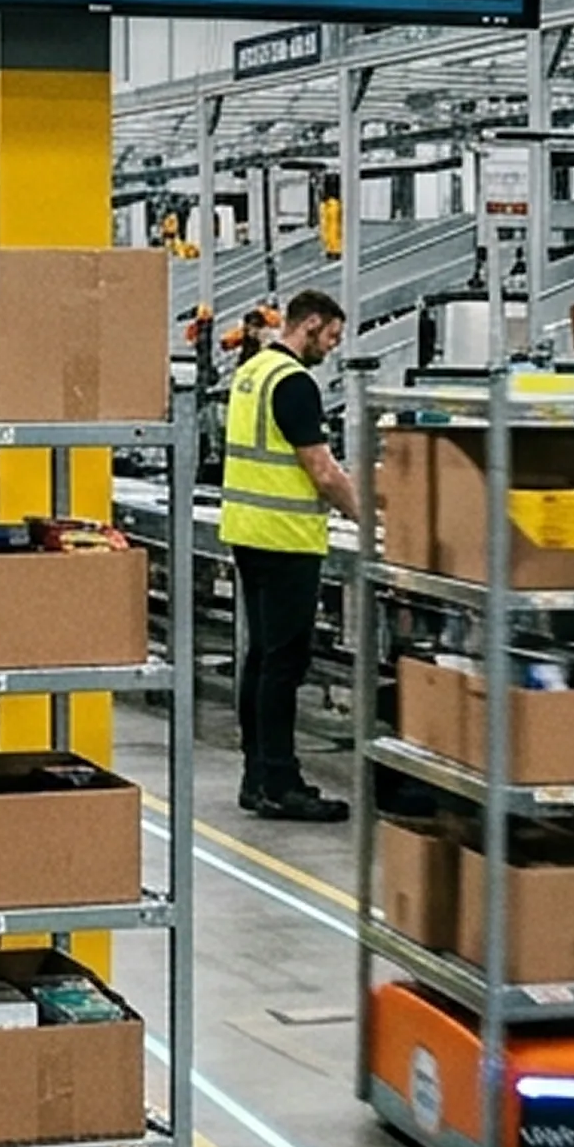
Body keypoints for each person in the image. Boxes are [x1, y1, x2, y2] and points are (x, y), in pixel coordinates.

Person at [217, 288, 359, 822]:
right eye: (331, 338)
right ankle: (280, 781)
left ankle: (257, 777)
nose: (331, 349)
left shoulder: (252, 372)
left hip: (248, 533)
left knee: (261, 660)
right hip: (285, 539)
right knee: (284, 665)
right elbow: (322, 472)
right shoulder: (295, 382)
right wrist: (370, 521)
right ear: (312, 324)